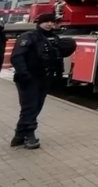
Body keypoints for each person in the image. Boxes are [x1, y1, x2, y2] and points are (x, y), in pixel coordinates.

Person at [10, 12, 63, 149]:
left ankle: (19, 136)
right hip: (29, 78)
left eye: (52, 21)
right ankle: (29, 136)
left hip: (44, 77)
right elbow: (17, 57)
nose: (50, 24)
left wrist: (58, 74)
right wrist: (24, 74)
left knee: (35, 107)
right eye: (47, 21)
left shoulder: (53, 38)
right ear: (39, 22)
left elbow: (58, 57)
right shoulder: (29, 36)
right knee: (30, 107)